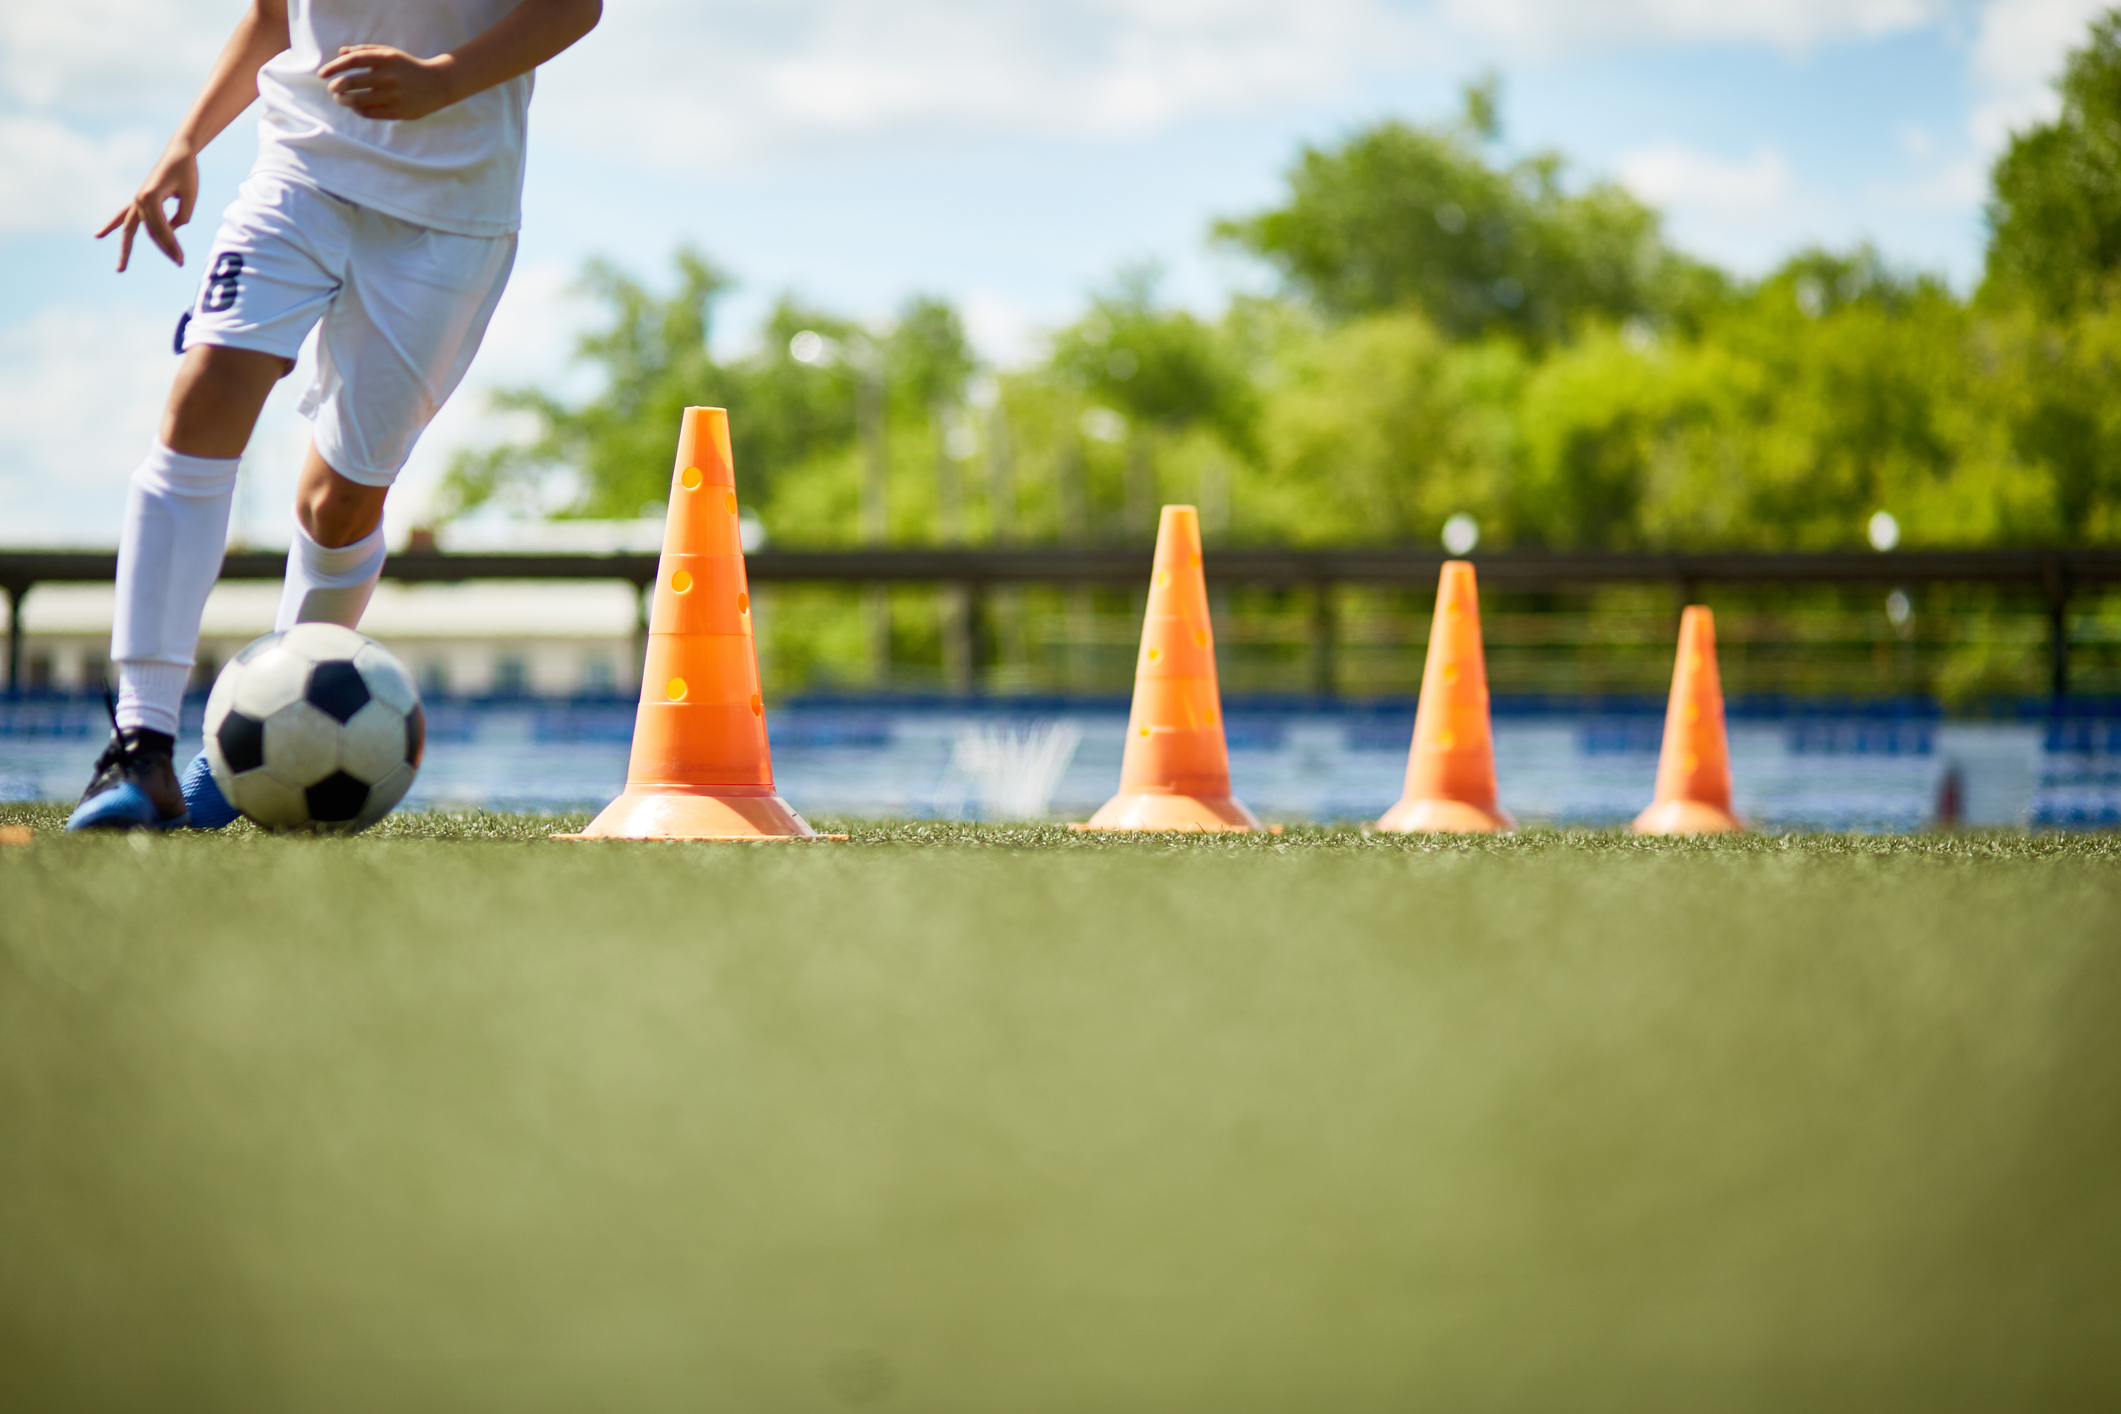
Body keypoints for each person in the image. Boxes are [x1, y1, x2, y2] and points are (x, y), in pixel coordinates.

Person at [68, 0, 601, 831]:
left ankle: (250, 755)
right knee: (204, 394)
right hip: (299, 173)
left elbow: (574, 7)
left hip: (451, 216)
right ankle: (141, 747)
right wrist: (184, 141)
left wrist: (442, 80)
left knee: (338, 503)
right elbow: (276, 13)